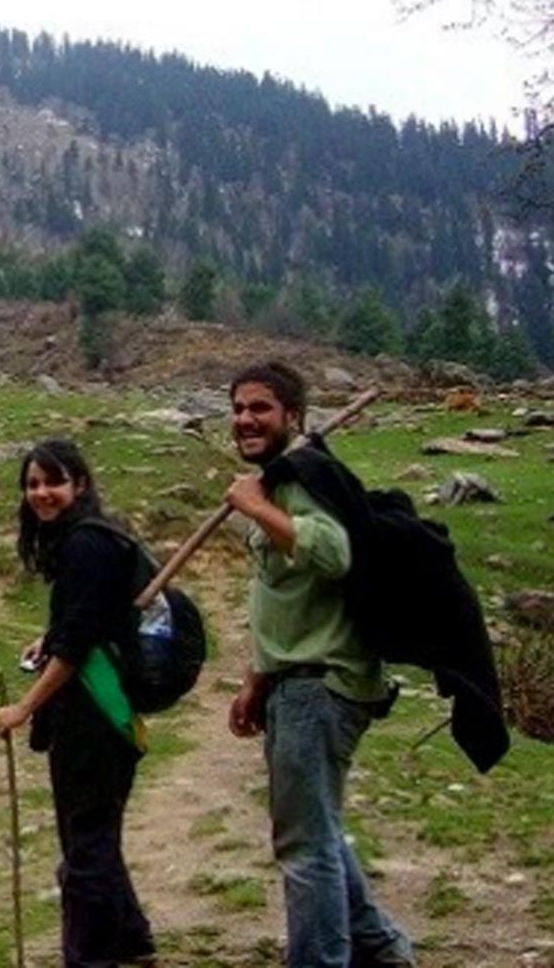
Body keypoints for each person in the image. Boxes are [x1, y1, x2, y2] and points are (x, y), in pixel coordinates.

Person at [223, 361, 414, 968]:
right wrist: (257, 678)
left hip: (319, 685)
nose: (245, 419)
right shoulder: (283, 479)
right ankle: (383, 952)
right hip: (295, 683)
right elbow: (289, 597)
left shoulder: (302, 475)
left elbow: (333, 554)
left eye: (260, 408)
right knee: (318, 832)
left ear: (294, 417)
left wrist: (255, 509)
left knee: (304, 847)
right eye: (238, 409)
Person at [0, 438, 156, 968]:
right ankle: (130, 941)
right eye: (33, 483)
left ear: (80, 485)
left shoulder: (85, 546)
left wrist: (23, 707)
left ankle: (89, 958)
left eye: (53, 482)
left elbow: (78, 647)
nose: (42, 493)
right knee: (95, 835)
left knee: (85, 848)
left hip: (95, 713)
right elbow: (85, 621)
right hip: (104, 712)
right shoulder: (85, 542)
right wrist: (51, 636)